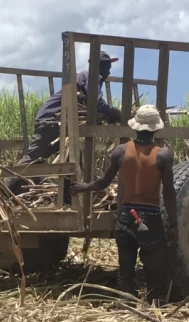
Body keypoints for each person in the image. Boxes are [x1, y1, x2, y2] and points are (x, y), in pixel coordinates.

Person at [71, 104, 177, 302]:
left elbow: (104, 182)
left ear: (135, 127)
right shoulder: (163, 155)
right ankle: (154, 305)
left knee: (125, 268)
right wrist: (173, 222)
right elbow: (169, 193)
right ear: (156, 129)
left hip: (127, 216)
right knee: (154, 267)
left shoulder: (120, 151)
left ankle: (124, 303)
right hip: (150, 219)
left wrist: (85, 186)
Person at [18, 50, 122, 167]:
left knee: (71, 161)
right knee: (30, 163)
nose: (109, 71)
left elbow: (91, 106)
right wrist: (120, 115)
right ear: (99, 66)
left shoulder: (84, 78)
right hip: (52, 121)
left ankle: (68, 185)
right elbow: (97, 103)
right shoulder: (91, 76)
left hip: (55, 123)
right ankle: (6, 184)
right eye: (107, 67)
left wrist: (107, 116)